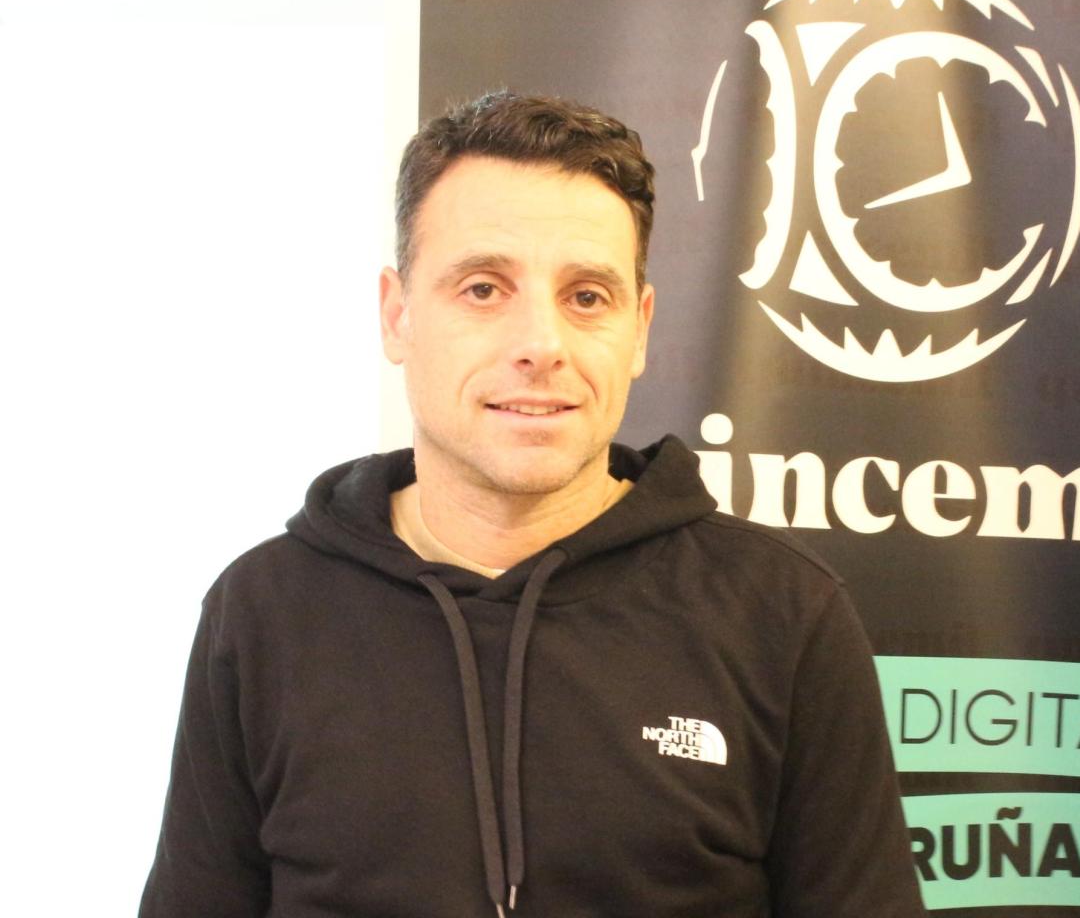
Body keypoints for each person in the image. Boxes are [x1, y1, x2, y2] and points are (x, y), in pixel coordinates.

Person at [139, 91, 925, 917]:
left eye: (586, 297)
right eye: (483, 289)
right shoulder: (263, 611)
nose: (541, 346)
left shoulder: (783, 614)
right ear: (397, 316)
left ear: (639, 329)